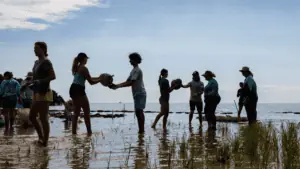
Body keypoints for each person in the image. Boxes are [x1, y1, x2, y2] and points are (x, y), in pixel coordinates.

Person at [110, 53, 147, 134]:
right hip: (137, 94)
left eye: (131, 59)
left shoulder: (137, 70)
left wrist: (118, 86)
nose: (129, 61)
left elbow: (131, 82)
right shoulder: (133, 70)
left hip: (140, 93)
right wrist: (115, 85)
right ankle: (141, 131)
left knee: (139, 112)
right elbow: (127, 82)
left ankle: (142, 131)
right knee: (138, 112)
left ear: (135, 60)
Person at [29, 41, 56, 147]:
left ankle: (45, 141)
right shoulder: (36, 62)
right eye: (34, 48)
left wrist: (40, 81)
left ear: (44, 50)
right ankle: (40, 136)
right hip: (36, 92)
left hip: (45, 92)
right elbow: (35, 78)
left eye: (37, 48)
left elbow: (53, 76)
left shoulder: (46, 62)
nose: (34, 50)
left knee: (43, 117)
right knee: (32, 117)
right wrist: (28, 83)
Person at [70, 52, 103, 135]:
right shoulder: (84, 68)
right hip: (79, 89)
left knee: (76, 112)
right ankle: (89, 133)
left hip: (73, 89)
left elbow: (89, 78)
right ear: (84, 59)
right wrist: (100, 80)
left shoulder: (77, 67)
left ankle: (74, 133)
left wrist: (99, 78)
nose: (87, 60)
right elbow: (91, 82)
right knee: (86, 112)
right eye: (86, 58)